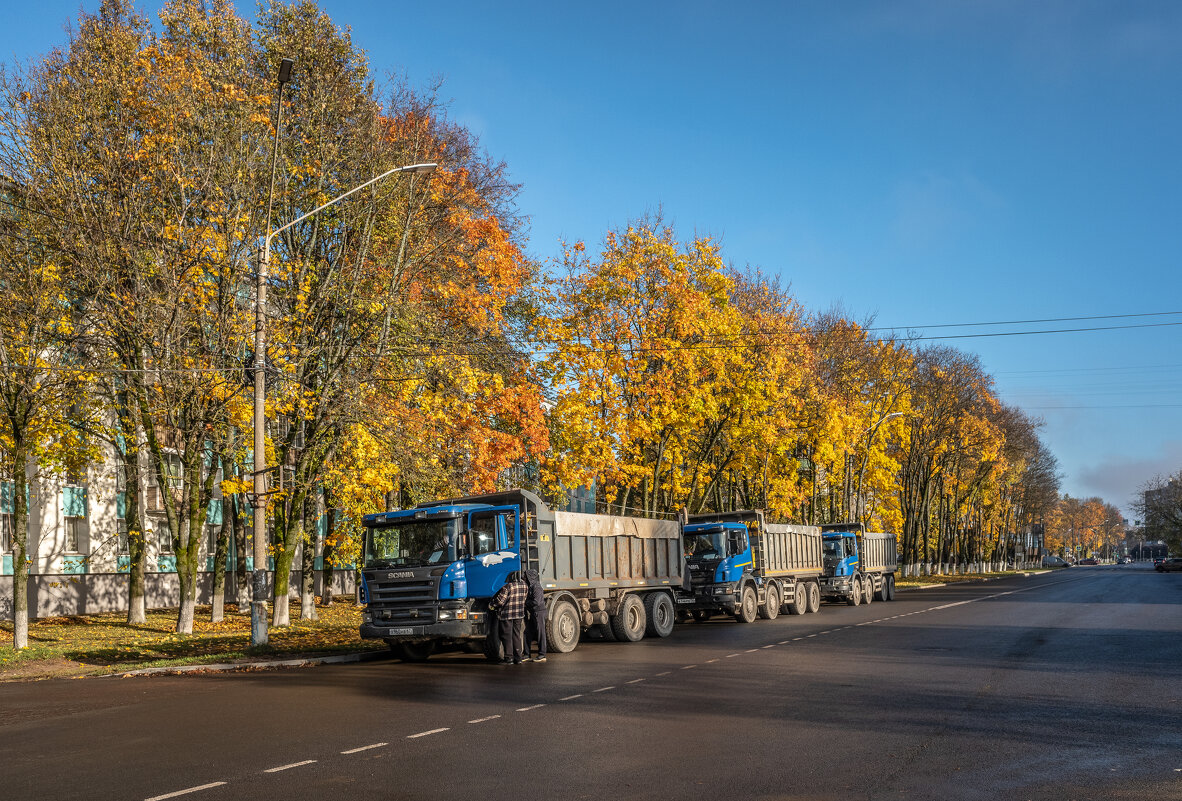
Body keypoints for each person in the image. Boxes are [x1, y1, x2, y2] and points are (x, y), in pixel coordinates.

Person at [490, 570, 528, 665]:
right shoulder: (524, 585)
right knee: (516, 635)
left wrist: (492, 604)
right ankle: (518, 658)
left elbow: (500, 601)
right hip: (519, 614)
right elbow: (525, 598)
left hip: (507, 614)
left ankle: (509, 658)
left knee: (507, 636)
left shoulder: (508, 586)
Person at [523, 568, 547, 662]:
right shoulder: (530, 586)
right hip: (534, 613)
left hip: (539, 613)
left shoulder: (537, 587)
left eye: (525, 576)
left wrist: (526, 603)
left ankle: (542, 655)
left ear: (530, 577)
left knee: (540, 634)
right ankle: (526, 654)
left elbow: (537, 601)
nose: (523, 577)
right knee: (527, 633)